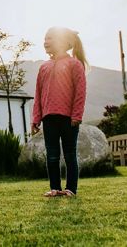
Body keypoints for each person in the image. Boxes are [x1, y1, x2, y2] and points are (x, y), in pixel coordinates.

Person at [31, 27, 88, 197]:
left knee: (70, 155)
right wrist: (36, 118)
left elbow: (80, 92)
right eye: (44, 38)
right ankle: (55, 188)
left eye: (49, 38)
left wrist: (77, 115)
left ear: (62, 42)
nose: (45, 42)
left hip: (69, 118)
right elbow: (38, 95)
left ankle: (71, 189)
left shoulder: (74, 64)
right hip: (49, 119)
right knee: (52, 155)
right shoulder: (44, 67)